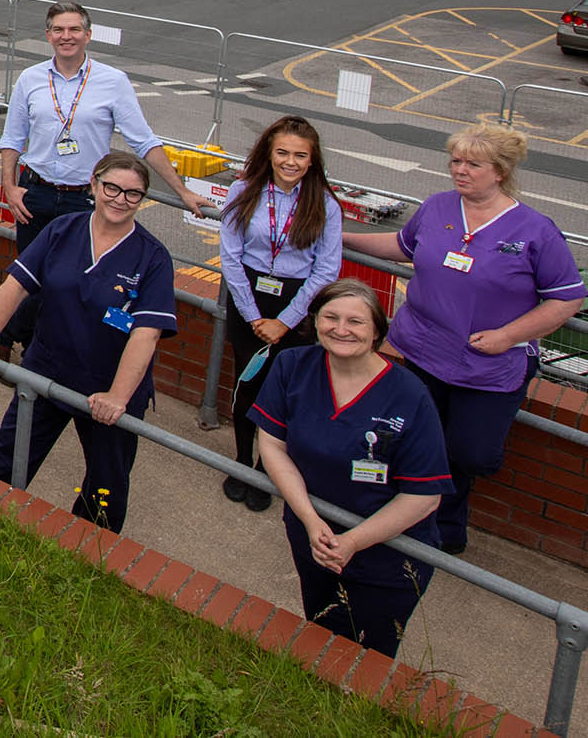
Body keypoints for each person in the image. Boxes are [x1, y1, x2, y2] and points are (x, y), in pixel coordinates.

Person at [346, 126, 583, 554]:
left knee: (471, 454)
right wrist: (342, 238)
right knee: (413, 438)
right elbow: (402, 246)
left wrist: (507, 336)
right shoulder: (437, 207)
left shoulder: (536, 231)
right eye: (456, 161)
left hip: (489, 364)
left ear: (501, 171)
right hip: (422, 352)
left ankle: (438, 519)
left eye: (473, 164)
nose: (460, 170)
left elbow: (567, 300)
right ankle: (423, 526)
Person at [0, 151, 178, 533]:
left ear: (142, 200)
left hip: (109, 392)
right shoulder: (63, 230)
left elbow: (146, 334)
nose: (120, 199)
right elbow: (15, 286)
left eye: (133, 194)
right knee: (9, 457)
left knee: (105, 487)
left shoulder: (153, 258)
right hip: (47, 372)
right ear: (94, 185)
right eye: (111, 187)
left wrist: (117, 396)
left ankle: (88, 557)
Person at [0, 0, 207, 358]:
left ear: (88, 35)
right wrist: (10, 187)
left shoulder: (112, 82)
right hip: (36, 194)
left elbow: (144, 141)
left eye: (74, 29)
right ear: (48, 36)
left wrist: (183, 191)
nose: (67, 37)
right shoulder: (30, 78)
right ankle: (33, 353)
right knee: (31, 278)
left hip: (86, 201)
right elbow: (12, 139)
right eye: (59, 30)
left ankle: (7, 335)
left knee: (65, 283)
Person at [254, 281, 454, 658]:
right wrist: (311, 522)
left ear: (377, 330)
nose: (341, 329)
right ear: (314, 322)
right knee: (320, 633)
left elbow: (424, 497)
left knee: (366, 655)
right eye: (331, 317)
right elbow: (272, 446)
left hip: (387, 558)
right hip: (313, 537)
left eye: (356, 322)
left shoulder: (411, 396)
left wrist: (352, 543)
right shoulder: (292, 366)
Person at [216, 115, 344, 511]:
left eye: (300, 155)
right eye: (283, 153)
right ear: (268, 154)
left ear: (312, 160)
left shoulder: (324, 203)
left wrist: (285, 320)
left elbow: (326, 269)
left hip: (297, 305)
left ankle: (266, 467)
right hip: (249, 298)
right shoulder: (243, 190)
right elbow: (231, 256)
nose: (291, 162)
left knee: (283, 391)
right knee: (246, 384)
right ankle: (242, 459)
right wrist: (254, 316)